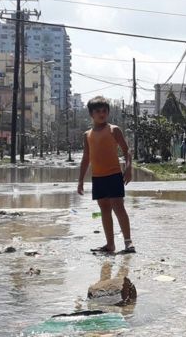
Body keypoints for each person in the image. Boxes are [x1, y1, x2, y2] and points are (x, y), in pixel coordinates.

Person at [78, 96, 135, 254]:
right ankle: (110, 244)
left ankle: (128, 242)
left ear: (108, 112)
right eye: (98, 111)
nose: (102, 114)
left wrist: (129, 168)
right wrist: (80, 181)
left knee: (118, 207)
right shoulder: (87, 134)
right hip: (98, 177)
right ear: (91, 114)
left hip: (114, 175)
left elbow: (126, 150)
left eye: (104, 111)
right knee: (104, 209)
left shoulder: (113, 130)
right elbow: (86, 158)